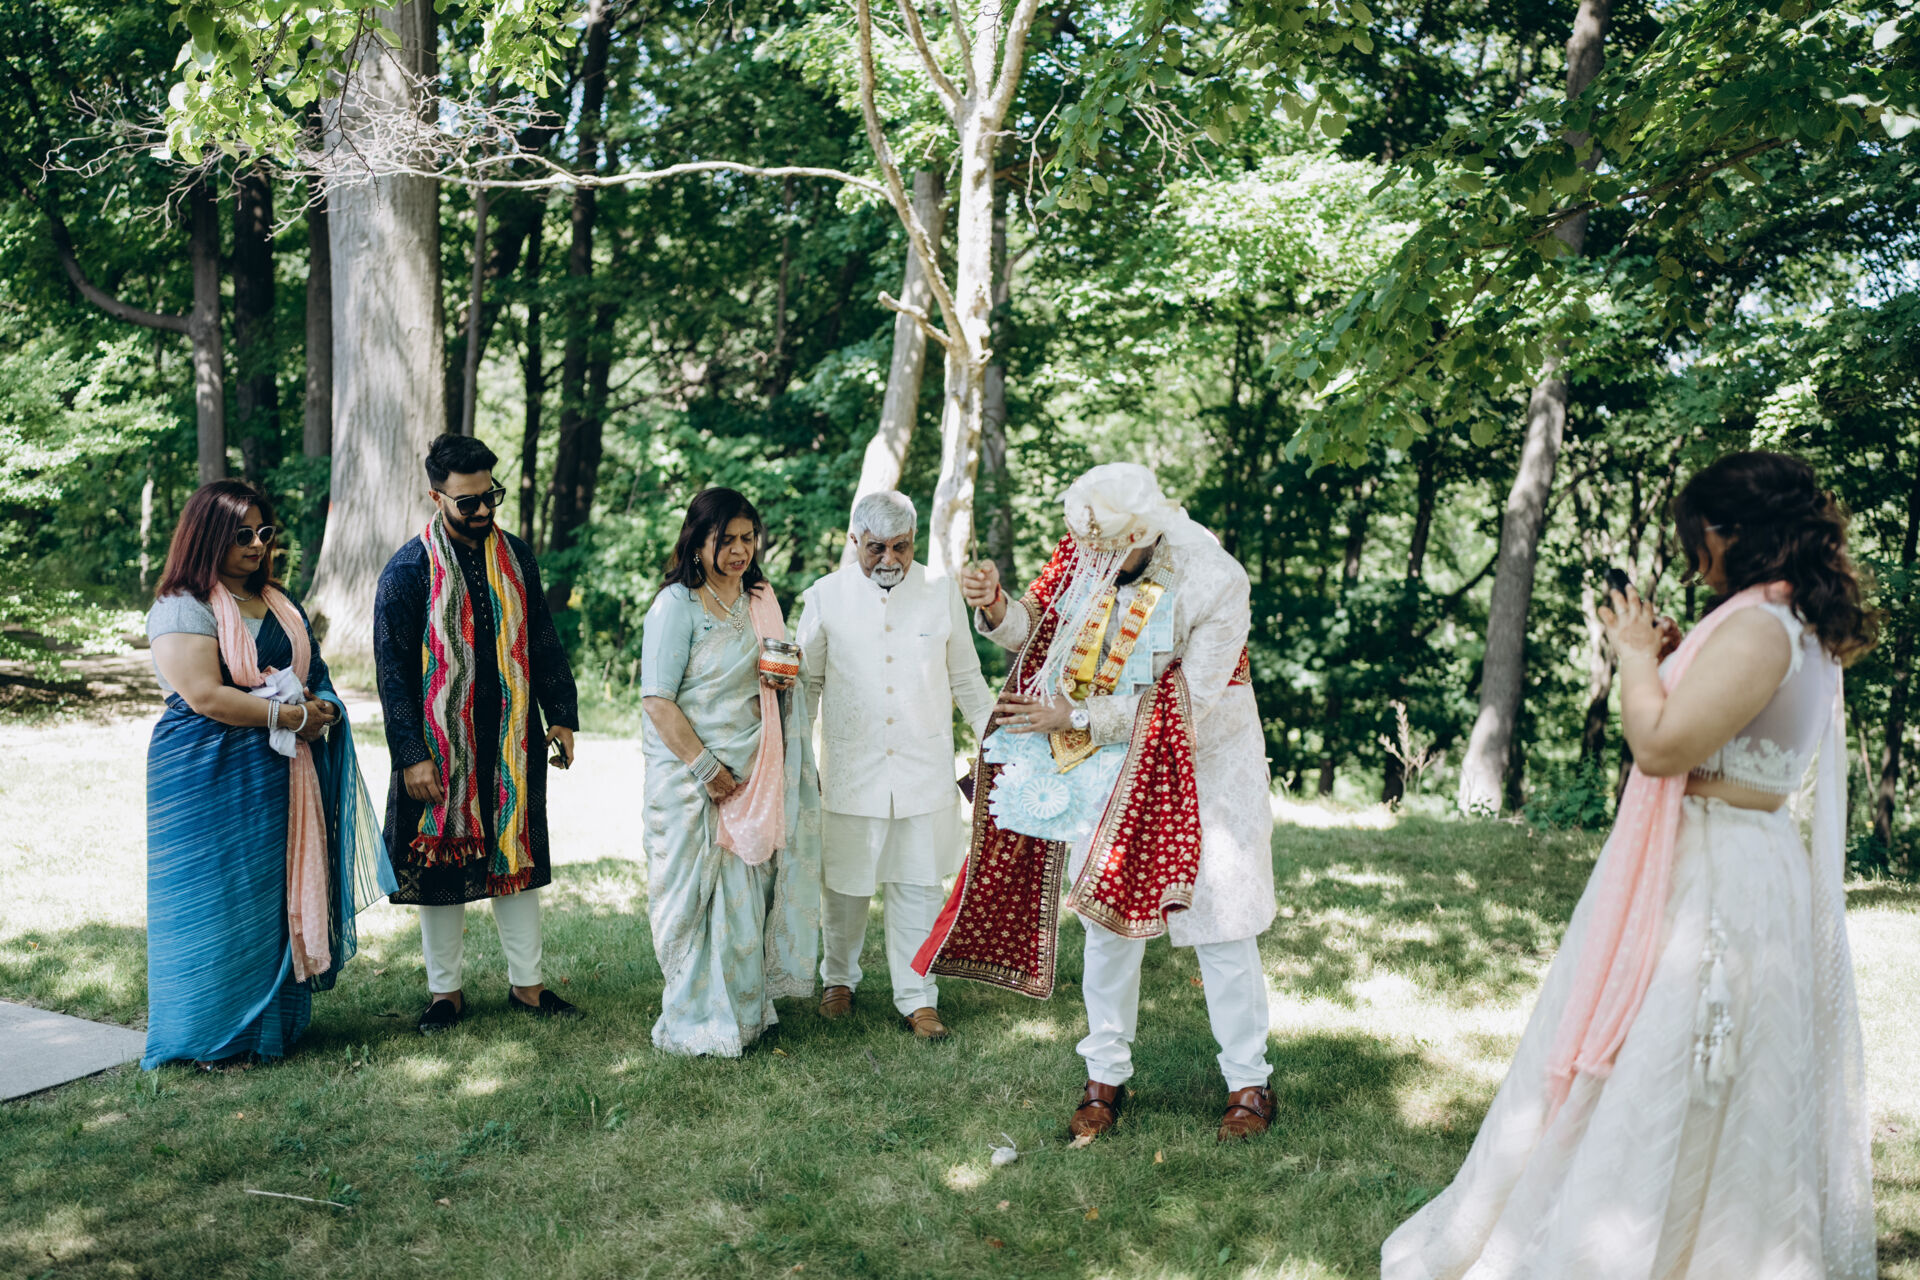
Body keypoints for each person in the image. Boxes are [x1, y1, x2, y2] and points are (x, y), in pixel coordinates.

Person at [1383, 450, 1878, 1278]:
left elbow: (1660, 747)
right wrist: (1675, 656)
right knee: (1697, 1069)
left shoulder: (1761, 626)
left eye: (1700, 535)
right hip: (1734, 859)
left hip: (1718, 874)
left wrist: (1637, 657)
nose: (1693, 556)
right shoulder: (1780, 618)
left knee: (1675, 1061)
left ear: (1734, 531)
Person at [915, 462, 1280, 1142]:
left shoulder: (1217, 578)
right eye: (1083, 546)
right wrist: (995, 606)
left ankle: (1249, 1083)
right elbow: (1039, 628)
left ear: (1139, 532)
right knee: (1105, 919)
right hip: (1110, 757)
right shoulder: (1088, 546)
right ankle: (1104, 1077)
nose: (1089, 559)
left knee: (1221, 921)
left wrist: (1074, 716)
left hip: (1206, 760)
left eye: (1104, 548)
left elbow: (1193, 700)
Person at [144, 480, 391, 1069]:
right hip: (204, 772)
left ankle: (267, 1030)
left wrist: (324, 707)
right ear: (207, 536)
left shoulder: (279, 602)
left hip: (281, 772)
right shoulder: (183, 606)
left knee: (270, 897)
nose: (257, 544)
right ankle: (208, 1036)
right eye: (241, 535)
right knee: (214, 898)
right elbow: (206, 696)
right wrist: (293, 716)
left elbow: (317, 674)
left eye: (264, 532)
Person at [374, 434, 582, 1034]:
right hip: (439, 750)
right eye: (468, 502)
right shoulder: (407, 571)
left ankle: (529, 987)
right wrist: (411, 754)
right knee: (442, 869)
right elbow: (392, 673)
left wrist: (561, 714)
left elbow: (542, 638)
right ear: (436, 497)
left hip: (513, 740)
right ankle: (446, 995)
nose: (484, 509)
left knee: (516, 855)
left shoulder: (516, 557)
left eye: (491, 495)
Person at [796, 491, 996, 1040]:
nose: (890, 559)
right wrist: (798, 758)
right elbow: (807, 685)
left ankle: (918, 996)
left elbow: (966, 679)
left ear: (914, 541)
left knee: (918, 884)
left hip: (921, 767)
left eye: (901, 547)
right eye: (876, 548)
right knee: (844, 885)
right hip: (849, 766)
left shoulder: (940, 591)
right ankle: (838, 979)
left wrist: (996, 745)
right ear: (854, 540)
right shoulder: (824, 595)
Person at [640, 488, 823, 1057]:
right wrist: (706, 768)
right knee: (699, 899)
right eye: (727, 539)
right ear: (698, 541)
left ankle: (744, 1012)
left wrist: (784, 677)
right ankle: (696, 1016)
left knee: (746, 894)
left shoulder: (759, 598)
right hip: (692, 776)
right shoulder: (675, 606)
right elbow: (658, 701)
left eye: (749, 538)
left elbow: (776, 670)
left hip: (752, 771)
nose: (741, 550)